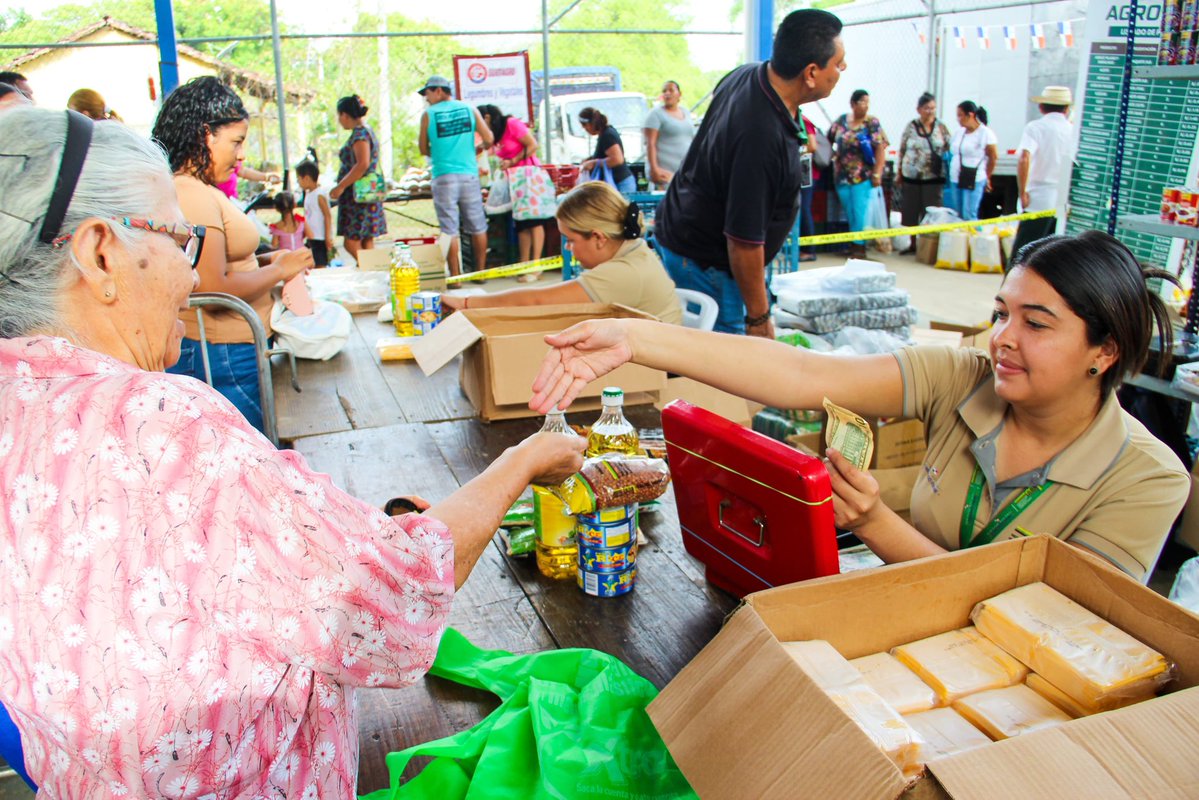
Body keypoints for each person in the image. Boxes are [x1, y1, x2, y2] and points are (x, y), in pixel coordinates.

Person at [0, 105, 585, 796]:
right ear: (102, 252)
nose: (192, 279)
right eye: (181, 244)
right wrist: (522, 461)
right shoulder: (165, 423)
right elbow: (391, 602)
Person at [532, 230, 1189, 582]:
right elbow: (798, 371)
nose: (1002, 340)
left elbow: (1042, 620)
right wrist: (634, 337)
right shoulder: (963, 376)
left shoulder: (1147, 479)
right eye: (999, 315)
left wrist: (875, 522)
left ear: (1102, 351)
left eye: (1035, 324)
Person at [655, 9, 846, 338]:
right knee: (726, 367)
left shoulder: (748, 74)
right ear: (812, 72)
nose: (842, 71)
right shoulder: (760, 137)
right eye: (839, 64)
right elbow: (742, 244)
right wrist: (758, 319)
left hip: (685, 233)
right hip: (709, 264)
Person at [152, 76, 313, 433]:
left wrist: (274, 262)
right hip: (221, 355)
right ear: (204, 134)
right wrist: (281, 268)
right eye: (236, 142)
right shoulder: (190, 193)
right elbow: (212, 288)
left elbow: (225, 262)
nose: (241, 156)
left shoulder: (201, 190)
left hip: (232, 351)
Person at [442, 181, 681, 324]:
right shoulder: (633, 250)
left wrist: (465, 303)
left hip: (658, 379)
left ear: (598, 237)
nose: (567, 248)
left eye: (570, 240)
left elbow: (535, 301)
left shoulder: (624, 272)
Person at [419, 76, 493, 277]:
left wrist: (440, 152)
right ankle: (480, 273)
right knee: (478, 226)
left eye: (428, 94)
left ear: (439, 91)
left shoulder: (428, 114)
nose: (427, 99)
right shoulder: (470, 109)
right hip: (469, 175)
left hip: (443, 176)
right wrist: (474, 149)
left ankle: (456, 276)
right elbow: (489, 138)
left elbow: (423, 148)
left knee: (449, 229)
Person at [478, 103, 553, 274]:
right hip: (514, 181)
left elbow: (532, 145)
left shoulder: (512, 124)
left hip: (529, 177)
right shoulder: (495, 135)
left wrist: (512, 161)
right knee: (521, 223)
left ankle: (536, 266)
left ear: (487, 118)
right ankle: (524, 264)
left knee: (534, 221)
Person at [1013, 86, 1075, 255]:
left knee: (1024, 251)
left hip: (1037, 198)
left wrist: (1022, 191)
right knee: (1050, 254)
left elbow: (1024, 157)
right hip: (1061, 200)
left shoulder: (1035, 127)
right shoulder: (1072, 130)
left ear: (1041, 107)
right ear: (1067, 109)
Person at [827, 89, 889, 259]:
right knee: (849, 211)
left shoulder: (871, 123)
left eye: (867, 102)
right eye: (862, 102)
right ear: (852, 104)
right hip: (842, 176)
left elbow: (880, 148)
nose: (866, 106)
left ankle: (859, 248)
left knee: (860, 211)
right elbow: (828, 140)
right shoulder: (841, 121)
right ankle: (854, 243)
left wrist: (877, 173)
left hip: (863, 176)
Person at [330, 94, 387, 261]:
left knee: (351, 242)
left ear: (345, 115)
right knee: (366, 240)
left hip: (359, 196)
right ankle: (372, 272)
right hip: (367, 194)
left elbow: (362, 164)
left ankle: (370, 268)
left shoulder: (360, 135)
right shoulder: (367, 131)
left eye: (339, 116)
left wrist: (341, 186)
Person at [895, 92, 951, 251]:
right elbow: (902, 149)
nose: (930, 111)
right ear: (919, 109)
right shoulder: (911, 126)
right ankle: (912, 244)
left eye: (933, 108)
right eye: (927, 108)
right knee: (911, 211)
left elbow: (948, 148)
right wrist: (899, 172)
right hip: (911, 176)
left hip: (933, 177)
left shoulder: (941, 127)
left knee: (932, 212)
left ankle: (929, 247)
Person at [945, 101, 998, 222]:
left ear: (970, 115)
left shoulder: (985, 133)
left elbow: (993, 157)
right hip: (956, 176)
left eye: (960, 115)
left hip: (974, 177)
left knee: (969, 213)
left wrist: (987, 176)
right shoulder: (959, 132)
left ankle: (974, 238)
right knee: (958, 215)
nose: (958, 119)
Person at [643, 80, 695, 190]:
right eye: (664, 91)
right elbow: (650, 143)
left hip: (685, 172)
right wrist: (654, 169)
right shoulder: (655, 114)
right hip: (665, 175)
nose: (667, 93)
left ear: (679, 94)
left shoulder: (686, 112)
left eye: (671, 90)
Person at [578, 108, 636, 195]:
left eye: (585, 126)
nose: (585, 129)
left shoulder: (607, 135)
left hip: (620, 183)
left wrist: (594, 163)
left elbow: (617, 159)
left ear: (590, 124)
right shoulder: (605, 134)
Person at [297, 159, 333, 267]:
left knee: (320, 264)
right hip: (312, 236)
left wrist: (327, 236)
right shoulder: (308, 194)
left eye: (299, 179)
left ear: (306, 178)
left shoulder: (319, 195)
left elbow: (327, 216)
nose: (298, 182)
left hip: (320, 237)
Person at [798, 114, 823, 263]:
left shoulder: (803, 120)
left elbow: (812, 146)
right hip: (799, 172)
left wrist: (791, 149)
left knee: (803, 209)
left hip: (807, 174)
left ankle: (808, 250)